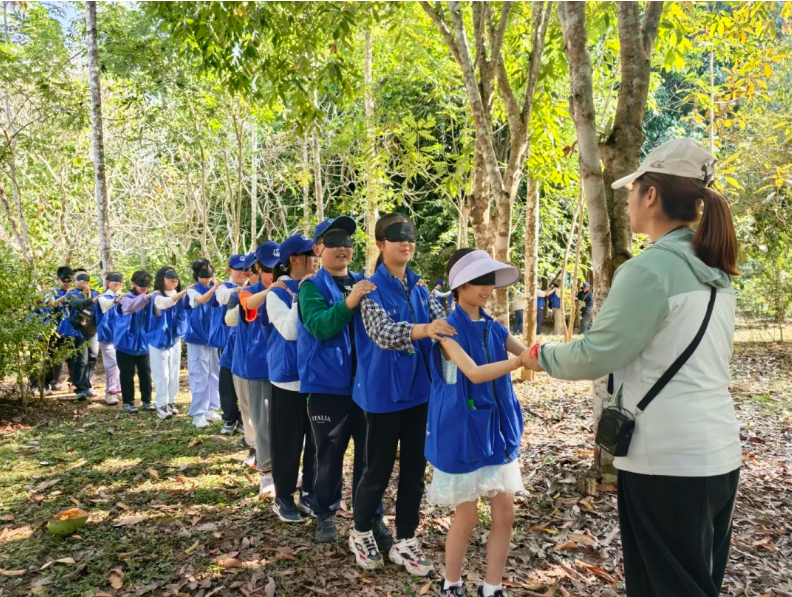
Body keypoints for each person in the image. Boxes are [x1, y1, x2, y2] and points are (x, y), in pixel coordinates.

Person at [524, 138, 741, 597]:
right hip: (718, 451)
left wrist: (542, 356)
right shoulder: (715, 269)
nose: (628, 200)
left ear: (651, 194)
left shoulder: (649, 270)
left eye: (632, 190)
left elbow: (596, 354)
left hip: (665, 458)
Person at [348, 213, 456, 576]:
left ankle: (406, 539)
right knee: (377, 469)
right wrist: (425, 329)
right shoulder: (368, 290)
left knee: (414, 471)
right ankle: (361, 531)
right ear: (380, 244)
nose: (406, 243)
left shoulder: (422, 289)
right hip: (382, 395)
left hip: (420, 393)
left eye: (410, 237)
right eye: (397, 237)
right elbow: (383, 333)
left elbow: (445, 324)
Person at [427, 249, 529, 597]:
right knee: (467, 517)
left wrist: (553, 356)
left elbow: (528, 354)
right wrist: (518, 363)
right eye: (478, 281)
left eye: (490, 280)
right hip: (465, 433)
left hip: (498, 432)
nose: (487, 288)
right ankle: (451, 584)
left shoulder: (494, 326)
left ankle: (492, 587)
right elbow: (473, 372)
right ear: (459, 286)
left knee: (505, 515)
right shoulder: (446, 331)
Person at [297, 216, 384, 543]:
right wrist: (349, 302)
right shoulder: (311, 287)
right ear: (318, 249)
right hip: (327, 387)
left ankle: (370, 517)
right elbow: (320, 326)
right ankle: (325, 513)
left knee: (370, 457)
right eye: (333, 241)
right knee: (329, 455)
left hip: (367, 386)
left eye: (347, 241)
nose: (342, 248)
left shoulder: (367, 282)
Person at [266, 234, 317, 522]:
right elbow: (290, 331)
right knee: (287, 441)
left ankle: (309, 493)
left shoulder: (320, 285)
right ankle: (283, 496)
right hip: (287, 378)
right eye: (310, 254)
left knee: (316, 440)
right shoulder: (278, 293)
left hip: (317, 377)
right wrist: (300, 296)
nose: (316, 258)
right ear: (294, 260)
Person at [227, 241, 281, 496]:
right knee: (261, 421)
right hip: (257, 367)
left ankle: (286, 468)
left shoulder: (291, 289)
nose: (275, 275)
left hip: (285, 367)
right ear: (258, 268)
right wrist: (273, 291)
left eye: (280, 268)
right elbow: (245, 308)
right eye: (269, 269)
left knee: (284, 422)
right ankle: (267, 472)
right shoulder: (246, 293)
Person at [225, 254, 260, 464]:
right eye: (257, 270)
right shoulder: (238, 295)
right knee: (247, 406)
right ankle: (254, 447)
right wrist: (248, 299)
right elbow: (230, 319)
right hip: (243, 360)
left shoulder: (279, 291)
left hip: (270, 362)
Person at [211, 254, 248, 435]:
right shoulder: (223, 287)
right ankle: (229, 417)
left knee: (245, 381)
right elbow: (223, 297)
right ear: (229, 270)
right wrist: (239, 291)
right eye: (238, 269)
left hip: (247, 342)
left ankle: (243, 419)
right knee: (227, 382)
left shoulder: (254, 287)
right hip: (227, 343)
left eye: (245, 269)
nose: (242, 273)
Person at [147, 267, 190, 420]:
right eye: (169, 276)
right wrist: (184, 292)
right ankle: (161, 404)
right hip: (158, 340)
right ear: (161, 279)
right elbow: (166, 303)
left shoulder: (180, 296)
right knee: (161, 374)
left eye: (175, 276)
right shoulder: (157, 297)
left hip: (174, 339)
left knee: (173, 373)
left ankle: (170, 401)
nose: (174, 279)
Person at [185, 260, 222, 427]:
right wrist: (214, 289)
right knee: (200, 374)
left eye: (209, 271)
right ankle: (198, 413)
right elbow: (201, 300)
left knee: (213, 374)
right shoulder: (192, 290)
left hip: (212, 337)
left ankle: (211, 408)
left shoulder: (216, 289)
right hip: (197, 337)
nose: (207, 275)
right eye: (203, 271)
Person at [116, 270, 155, 413]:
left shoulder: (151, 298)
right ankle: (128, 402)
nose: (144, 288)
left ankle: (147, 400)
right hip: (125, 343)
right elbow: (131, 306)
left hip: (144, 343)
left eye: (147, 285)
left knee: (145, 373)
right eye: (141, 285)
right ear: (133, 283)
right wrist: (147, 297)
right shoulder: (124, 298)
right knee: (127, 374)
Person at [38, 266, 75, 393]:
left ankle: (74, 384)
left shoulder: (76, 292)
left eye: (70, 280)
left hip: (70, 331)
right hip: (54, 330)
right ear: (58, 279)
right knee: (51, 358)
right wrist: (66, 296)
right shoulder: (52, 292)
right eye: (64, 279)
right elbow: (51, 304)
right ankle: (48, 384)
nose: (67, 282)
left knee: (72, 358)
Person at [96, 272, 125, 405]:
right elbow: (106, 305)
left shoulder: (123, 296)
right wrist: (116, 300)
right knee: (112, 363)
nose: (117, 284)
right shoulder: (102, 297)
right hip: (107, 334)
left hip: (121, 334)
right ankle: (111, 392)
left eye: (119, 282)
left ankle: (118, 390)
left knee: (120, 363)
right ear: (107, 282)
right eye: (115, 281)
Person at [73, 269, 100, 396]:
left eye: (87, 281)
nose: (85, 283)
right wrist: (92, 300)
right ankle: (80, 389)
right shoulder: (72, 294)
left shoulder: (94, 293)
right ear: (76, 282)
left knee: (92, 357)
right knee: (82, 360)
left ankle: (88, 385)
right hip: (79, 331)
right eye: (82, 281)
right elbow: (77, 303)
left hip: (93, 330)